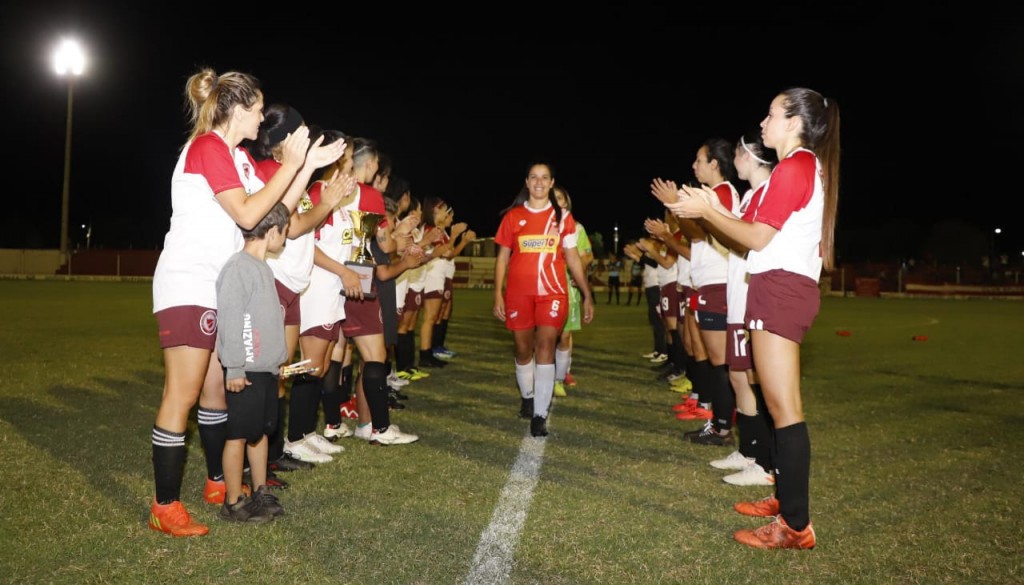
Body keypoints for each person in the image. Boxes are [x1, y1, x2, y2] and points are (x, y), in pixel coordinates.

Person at [148, 68, 343, 537]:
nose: (262, 118)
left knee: (217, 392)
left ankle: (218, 483)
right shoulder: (207, 148)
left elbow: (275, 220)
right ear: (237, 108)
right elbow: (247, 213)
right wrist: (295, 165)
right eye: (257, 109)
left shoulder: (236, 158)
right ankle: (165, 506)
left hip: (218, 286)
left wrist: (304, 167)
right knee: (184, 393)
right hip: (189, 283)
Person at [658, 87, 840, 550]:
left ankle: (796, 527)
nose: (763, 123)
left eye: (771, 114)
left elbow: (756, 239)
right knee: (777, 406)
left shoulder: (797, 165)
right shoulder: (794, 167)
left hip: (780, 289)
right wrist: (711, 212)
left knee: (785, 410)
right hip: (771, 287)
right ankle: (785, 501)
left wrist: (706, 211)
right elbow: (749, 241)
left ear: (795, 121)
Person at [247, 107, 356, 482]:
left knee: (284, 372)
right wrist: (324, 202)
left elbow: (300, 225)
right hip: (273, 280)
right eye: (303, 134)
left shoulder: (293, 177)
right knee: (272, 373)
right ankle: (263, 457)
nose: (309, 140)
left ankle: (276, 453)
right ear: (283, 143)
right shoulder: (268, 174)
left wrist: (324, 201)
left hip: (294, 284)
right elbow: (288, 228)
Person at [493, 162, 594, 437]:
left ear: (551, 183)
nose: (539, 182)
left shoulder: (563, 218)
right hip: (518, 295)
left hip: (553, 293)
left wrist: (586, 294)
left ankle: (539, 414)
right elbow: (502, 257)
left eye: (544, 178)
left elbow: (573, 257)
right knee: (523, 350)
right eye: (534, 177)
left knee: (546, 344)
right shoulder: (513, 217)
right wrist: (497, 293)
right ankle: (527, 395)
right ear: (527, 182)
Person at [653, 138, 740, 446]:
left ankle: (719, 427)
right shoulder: (714, 194)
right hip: (708, 283)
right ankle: (716, 421)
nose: (694, 165)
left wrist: (676, 206)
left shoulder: (724, 193)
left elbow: (702, 234)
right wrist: (677, 208)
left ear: (714, 163)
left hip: (718, 282)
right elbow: (699, 236)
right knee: (712, 359)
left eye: (699, 160)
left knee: (721, 363)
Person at [708, 130, 779, 487]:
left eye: (736, 152)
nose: (733, 159)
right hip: (740, 297)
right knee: (740, 376)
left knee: (755, 380)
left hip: (754, 299)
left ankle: (764, 462)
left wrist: (707, 213)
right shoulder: (752, 195)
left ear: (748, 155)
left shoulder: (768, 193)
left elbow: (751, 242)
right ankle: (751, 452)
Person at [214, 202, 291, 523]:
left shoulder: (264, 269)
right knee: (239, 434)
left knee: (259, 433)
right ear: (272, 232)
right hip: (244, 372)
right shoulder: (238, 268)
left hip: (265, 370)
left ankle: (259, 491)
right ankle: (233, 501)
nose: (285, 240)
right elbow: (231, 319)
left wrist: (277, 361)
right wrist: (234, 366)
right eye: (285, 234)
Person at [552, 185, 593, 395]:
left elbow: (587, 255)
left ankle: (561, 374)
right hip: (547, 288)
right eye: (554, 197)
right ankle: (546, 373)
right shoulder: (542, 226)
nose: (557, 201)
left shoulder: (577, 228)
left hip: (570, 289)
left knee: (565, 336)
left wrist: (579, 267)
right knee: (546, 335)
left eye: (560, 197)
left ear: (566, 202)